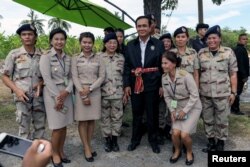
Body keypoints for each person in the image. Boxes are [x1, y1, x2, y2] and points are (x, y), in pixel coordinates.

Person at [124, 15, 164, 154]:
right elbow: (127, 67)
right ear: (136, 28)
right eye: (139, 26)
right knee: (137, 113)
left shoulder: (158, 44)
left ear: (150, 27)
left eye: (144, 26)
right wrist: (127, 85)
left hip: (152, 84)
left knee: (152, 113)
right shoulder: (130, 45)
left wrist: (161, 85)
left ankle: (153, 140)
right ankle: (135, 140)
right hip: (135, 84)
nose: (141, 28)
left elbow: (162, 66)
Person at [2, 24, 46, 140]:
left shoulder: (43, 55)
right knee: (23, 129)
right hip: (22, 98)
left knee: (40, 128)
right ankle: (26, 156)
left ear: (35, 37)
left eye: (30, 34)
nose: (27, 37)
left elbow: (48, 76)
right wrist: (17, 90)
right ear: (20, 37)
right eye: (24, 34)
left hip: (39, 98)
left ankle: (39, 156)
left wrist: (41, 83)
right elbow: (4, 76)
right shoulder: (14, 54)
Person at [198, 25, 238, 152]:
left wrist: (233, 92)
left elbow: (233, 73)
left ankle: (220, 143)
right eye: (209, 38)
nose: (211, 41)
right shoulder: (201, 53)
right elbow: (197, 74)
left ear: (219, 39)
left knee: (222, 120)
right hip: (205, 93)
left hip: (223, 94)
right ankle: (211, 141)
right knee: (207, 119)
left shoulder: (228, 52)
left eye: (214, 38)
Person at [40, 28, 73, 167]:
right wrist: (57, 98)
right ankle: (54, 154)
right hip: (52, 94)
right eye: (56, 39)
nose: (59, 42)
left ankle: (60, 150)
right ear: (51, 41)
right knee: (57, 127)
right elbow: (47, 79)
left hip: (66, 93)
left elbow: (71, 77)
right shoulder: (46, 57)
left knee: (64, 125)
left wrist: (67, 91)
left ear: (65, 41)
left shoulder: (68, 57)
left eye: (62, 39)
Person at [162, 51, 201, 165]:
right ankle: (177, 151)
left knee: (184, 135)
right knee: (174, 133)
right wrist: (172, 110)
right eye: (162, 63)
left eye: (166, 63)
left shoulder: (186, 76)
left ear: (174, 64)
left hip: (192, 106)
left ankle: (189, 152)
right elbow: (168, 96)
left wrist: (184, 111)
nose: (163, 66)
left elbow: (195, 95)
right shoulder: (164, 78)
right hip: (177, 106)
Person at [71, 32, 105, 162]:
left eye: (89, 42)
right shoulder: (75, 58)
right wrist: (82, 92)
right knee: (82, 120)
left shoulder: (99, 58)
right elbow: (74, 76)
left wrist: (90, 89)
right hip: (80, 91)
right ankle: (86, 148)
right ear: (80, 43)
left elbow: (102, 76)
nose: (87, 45)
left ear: (93, 43)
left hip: (94, 91)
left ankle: (88, 145)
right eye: (84, 42)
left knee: (91, 120)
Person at [99, 33, 125, 152]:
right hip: (102, 93)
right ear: (105, 44)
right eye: (110, 42)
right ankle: (107, 140)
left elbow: (125, 76)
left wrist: (125, 92)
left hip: (118, 93)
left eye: (114, 43)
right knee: (105, 118)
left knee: (117, 117)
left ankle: (114, 140)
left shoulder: (121, 58)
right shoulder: (98, 57)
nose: (112, 45)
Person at [158, 33, 175, 143]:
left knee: (172, 108)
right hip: (160, 87)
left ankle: (169, 129)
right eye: (163, 41)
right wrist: (160, 86)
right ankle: (160, 130)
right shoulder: (157, 53)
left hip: (174, 90)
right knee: (161, 109)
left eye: (168, 41)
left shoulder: (174, 54)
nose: (166, 43)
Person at [231, 33, 249, 115]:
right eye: (243, 39)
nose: (245, 40)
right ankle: (235, 109)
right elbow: (240, 63)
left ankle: (233, 108)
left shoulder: (240, 48)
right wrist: (244, 75)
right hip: (239, 75)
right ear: (239, 40)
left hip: (238, 74)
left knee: (236, 92)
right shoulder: (240, 49)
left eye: (246, 39)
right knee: (237, 92)